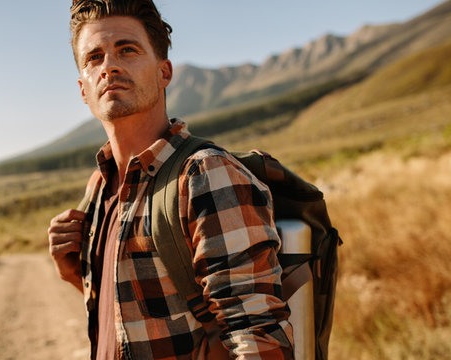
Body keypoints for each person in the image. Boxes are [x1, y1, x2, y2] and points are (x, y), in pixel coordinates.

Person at [48, 1, 293, 358]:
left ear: (165, 72)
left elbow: (257, 336)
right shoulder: (99, 188)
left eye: (127, 50)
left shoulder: (205, 174)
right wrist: (76, 274)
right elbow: (136, 318)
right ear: (83, 90)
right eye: (94, 57)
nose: (109, 66)